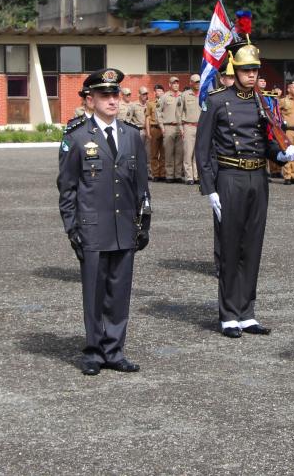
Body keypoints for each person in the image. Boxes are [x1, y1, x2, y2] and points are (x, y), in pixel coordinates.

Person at [195, 39, 294, 337]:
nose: (251, 75)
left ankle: (247, 312)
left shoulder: (262, 101)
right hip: (229, 177)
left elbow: (265, 141)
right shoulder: (216, 100)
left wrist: (279, 154)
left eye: (255, 69)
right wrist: (209, 189)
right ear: (234, 70)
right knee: (230, 247)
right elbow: (202, 149)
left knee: (253, 246)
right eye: (245, 70)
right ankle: (228, 313)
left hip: (258, 178)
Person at [57, 68, 151, 376]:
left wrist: (144, 221)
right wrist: (73, 229)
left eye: (116, 95)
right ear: (90, 99)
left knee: (120, 291)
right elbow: (67, 189)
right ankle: (94, 351)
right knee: (95, 292)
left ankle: (115, 349)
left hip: (124, 226)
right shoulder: (77, 137)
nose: (112, 101)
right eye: (105, 95)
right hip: (92, 228)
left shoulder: (131, 135)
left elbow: (141, 185)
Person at [157, 76, 184, 182]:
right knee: (168, 152)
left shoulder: (183, 96)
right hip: (168, 127)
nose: (176, 85)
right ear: (169, 85)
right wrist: (161, 126)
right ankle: (169, 175)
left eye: (177, 83)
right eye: (173, 83)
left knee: (179, 152)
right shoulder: (164, 97)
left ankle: (177, 175)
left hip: (180, 127)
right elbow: (158, 112)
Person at [178, 74, 203, 185]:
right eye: (195, 82)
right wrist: (181, 128)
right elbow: (178, 113)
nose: (197, 84)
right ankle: (189, 177)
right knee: (188, 153)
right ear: (190, 83)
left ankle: (196, 176)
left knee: (198, 153)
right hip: (188, 126)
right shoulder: (184, 95)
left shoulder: (204, 94)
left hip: (201, 127)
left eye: (199, 82)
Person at [145, 84, 166, 181]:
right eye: (158, 91)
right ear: (154, 92)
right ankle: (155, 174)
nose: (159, 92)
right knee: (154, 153)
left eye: (161, 91)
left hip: (165, 129)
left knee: (164, 153)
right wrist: (148, 132)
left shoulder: (167, 102)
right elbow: (148, 118)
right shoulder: (150, 103)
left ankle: (163, 173)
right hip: (154, 128)